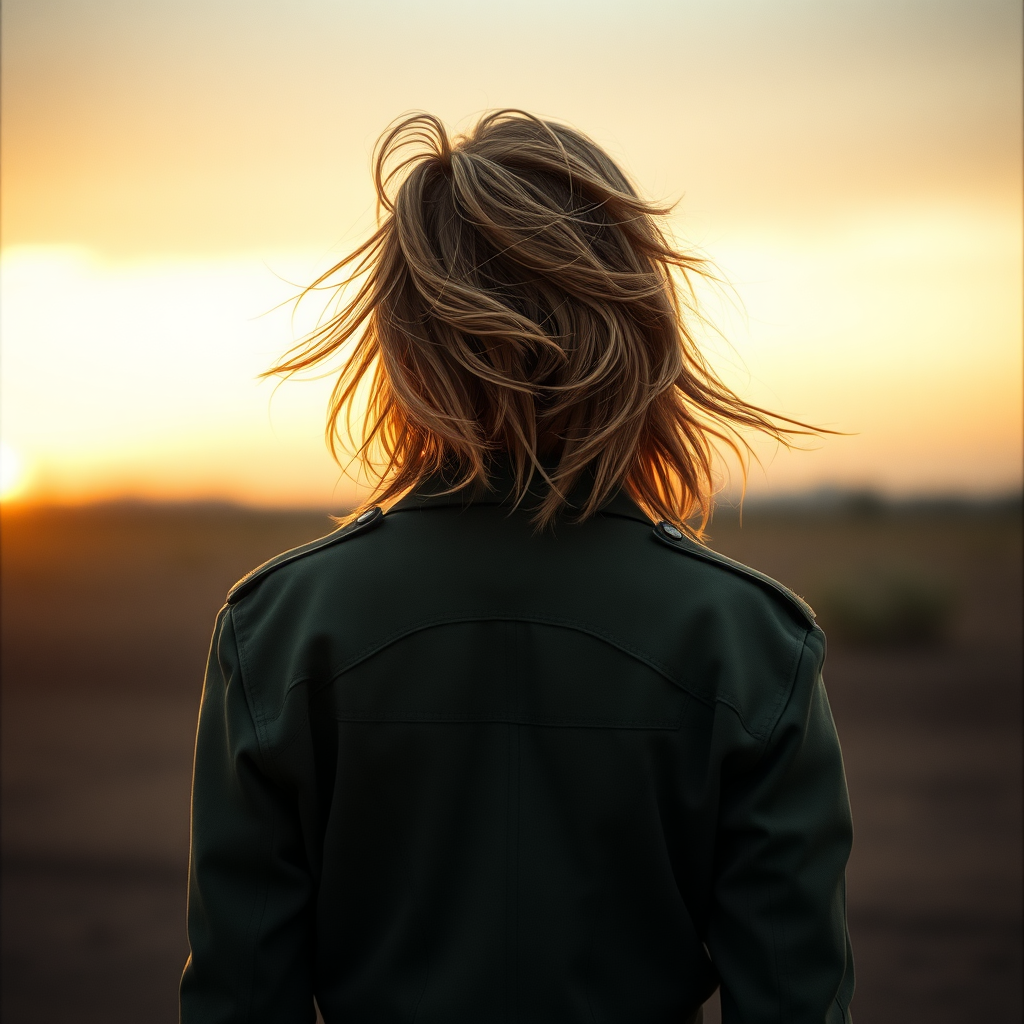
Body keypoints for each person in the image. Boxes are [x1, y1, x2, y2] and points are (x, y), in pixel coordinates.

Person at [180, 110, 854, 1024]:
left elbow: (238, 998)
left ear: (402, 340)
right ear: (640, 322)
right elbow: (793, 1000)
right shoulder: (750, 643)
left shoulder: (281, 629)